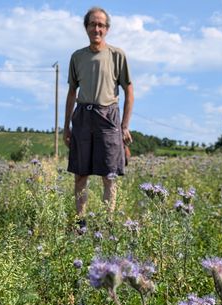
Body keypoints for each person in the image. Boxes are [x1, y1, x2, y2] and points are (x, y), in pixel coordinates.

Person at [63, 6, 134, 227]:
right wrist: (66, 127)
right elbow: (72, 92)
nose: (97, 28)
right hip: (83, 116)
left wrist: (124, 126)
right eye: (93, 24)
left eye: (101, 25)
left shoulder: (117, 55)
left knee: (109, 174)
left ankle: (106, 225)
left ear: (107, 29)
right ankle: (81, 224)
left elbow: (129, 91)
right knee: (80, 174)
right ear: (86, 27)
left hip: (108, 117)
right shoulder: (77, 57)